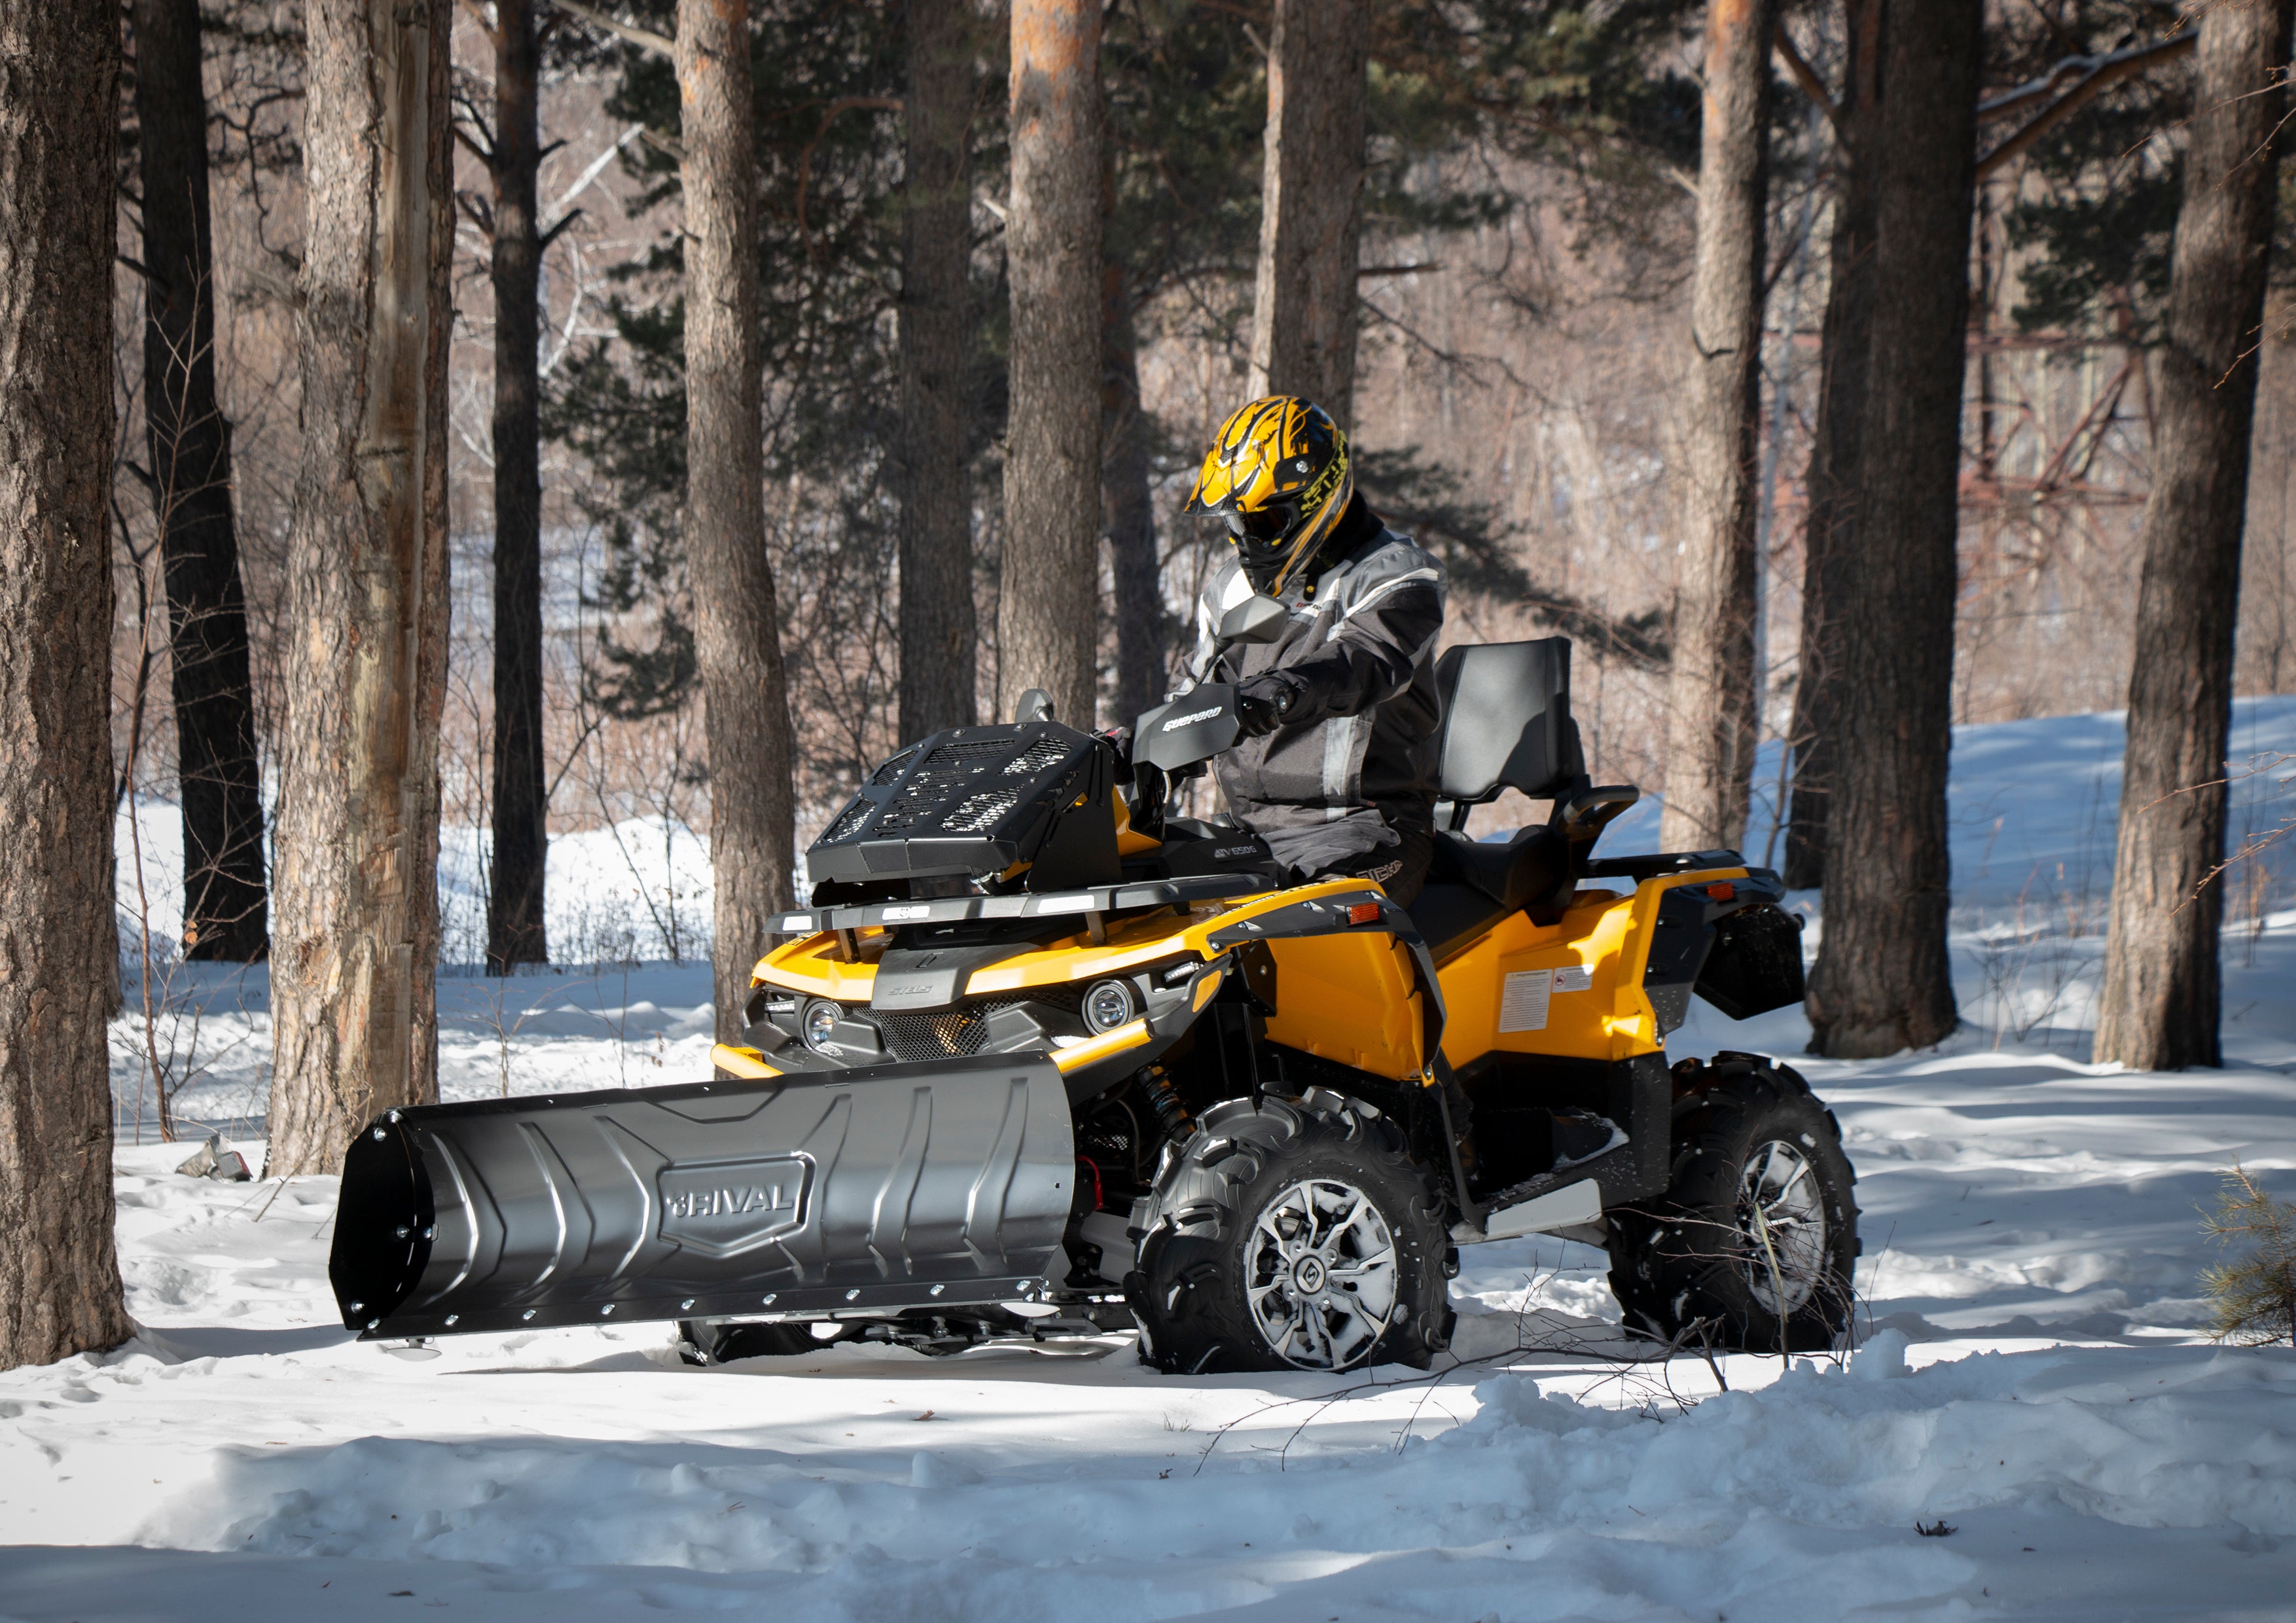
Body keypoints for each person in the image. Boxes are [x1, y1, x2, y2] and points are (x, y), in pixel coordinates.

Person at [1177, 395, 1446, 908]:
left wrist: (1281, 691)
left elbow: (1362, 662)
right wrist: (1130, 746)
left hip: (1365, 829)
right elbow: (1194, 693)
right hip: (1250, 831)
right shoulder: (1231, 588)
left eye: (1264, 523)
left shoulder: (1397, 573)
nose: (1248, 541)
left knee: (1303, 930)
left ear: (1317, 496)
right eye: (1238, 524)